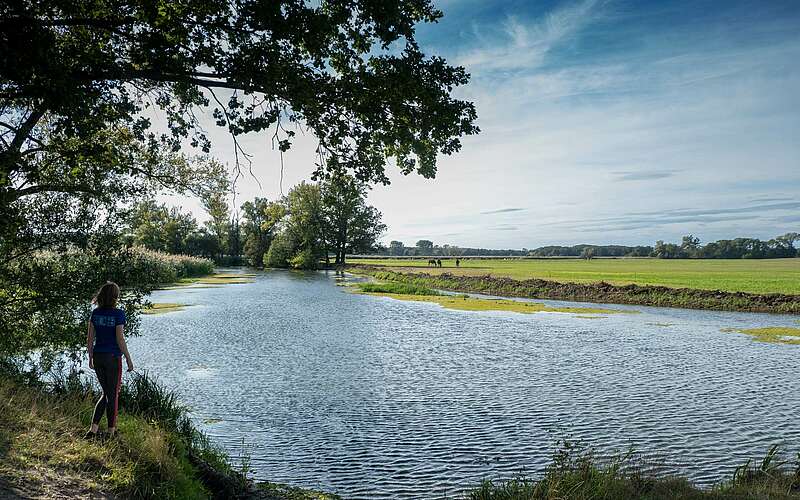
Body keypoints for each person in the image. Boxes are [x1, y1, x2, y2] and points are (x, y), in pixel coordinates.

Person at [85, 281, 134, 439]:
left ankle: (93, 430)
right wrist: (128, 358)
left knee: (106, 393)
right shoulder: (118, 314)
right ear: (114, 297)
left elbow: (90, 338)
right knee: (112, 395)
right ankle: (111, 432)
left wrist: (91, 357)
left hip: (98, 356)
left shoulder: (95, 313)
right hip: (113, 358)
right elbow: (120, 338)